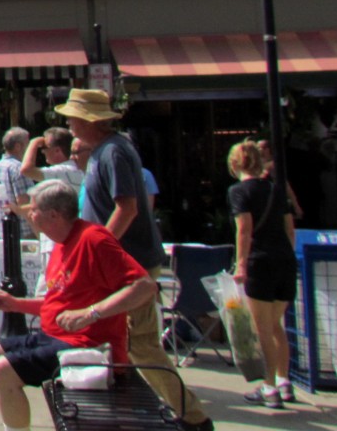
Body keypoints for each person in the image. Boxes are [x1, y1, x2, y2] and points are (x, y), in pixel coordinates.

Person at [55, 88, 212, 431]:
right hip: (125, 262)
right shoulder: (106, 151)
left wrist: (101, 248)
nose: (67, 122)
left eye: (72, 116)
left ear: (88, 120)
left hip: (130, 263)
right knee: (127, 340)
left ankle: (193, 417)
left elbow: (127, 208)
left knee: (141, 345)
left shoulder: (113, 153)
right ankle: (173, 409)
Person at [0, 180, 156, 431]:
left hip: (89, 346)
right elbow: (58, 304)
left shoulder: (93, 239)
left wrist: (91, 313)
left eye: (34, 208)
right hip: (56, 337)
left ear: (53, 215)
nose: (29, 212)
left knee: (2, 370)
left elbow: (145, 287)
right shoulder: (60, 243)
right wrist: (16, 304)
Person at [227, 140, 297, 408]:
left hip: (259, 263)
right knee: (276, 325)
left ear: (235, 164)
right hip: (285, 261)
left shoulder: (238, 192)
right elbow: (290, 228)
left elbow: (243, 229)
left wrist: (240, 264)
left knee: (262, 329)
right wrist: (285, 254)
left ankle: (268, 388)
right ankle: (283, 380)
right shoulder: (277, 190)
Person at [0, 126, 34, 239]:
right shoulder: (18, 168)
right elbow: (24, 201)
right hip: (24, 232)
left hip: (5, 230)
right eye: (28, 144)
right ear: (18, 146)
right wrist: (37, 230)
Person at [20, 127, 84, 190]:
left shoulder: (62, 171)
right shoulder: (75, 167)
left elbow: (26, 170)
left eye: (44, 147)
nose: (42, 151)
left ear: (57, 150)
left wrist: (33, 142)